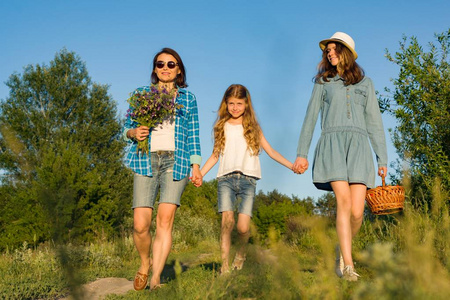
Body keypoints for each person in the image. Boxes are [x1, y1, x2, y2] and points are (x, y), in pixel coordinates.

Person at [292, 32, 387, 281]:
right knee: (343, 202)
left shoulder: (366, 84)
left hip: (359, 148)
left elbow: (375, 123)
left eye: (335, 49)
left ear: (347, 52)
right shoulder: (322, 82)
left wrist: (382, 159)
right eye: (328, 50)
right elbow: (310, 118)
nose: (330, 52)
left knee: (357, 212)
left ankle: (341, 251)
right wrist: (302, 154)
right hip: (332, 145)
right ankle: (348, 265)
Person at [123, 48, 202, 290]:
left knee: (165, 220)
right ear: (154, 69)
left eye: (171, 64)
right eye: (160, 64)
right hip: (145, 160)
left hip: (175, 162)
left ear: (179, 70)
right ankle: (145, 264)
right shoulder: (141, 94)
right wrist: (134, 132)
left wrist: (195, 166)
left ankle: (155, 277)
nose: (165, 68)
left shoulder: (188, 99)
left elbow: (193, 135)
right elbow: (127, 127)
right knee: (140, 225)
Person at [193, 84, 293, 274]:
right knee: (226, 223)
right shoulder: (221, 126)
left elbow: (270, 151)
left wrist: (291, 166)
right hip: (225, 179)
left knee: (242, 227)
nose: (235, 108)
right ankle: (224, 267)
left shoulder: (253, 127)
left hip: (248, 180)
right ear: (226, 104)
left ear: (246, 104)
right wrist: (200, 174)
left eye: (239, 103)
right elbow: (215, 155)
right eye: (231, 103)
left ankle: (240, 253)